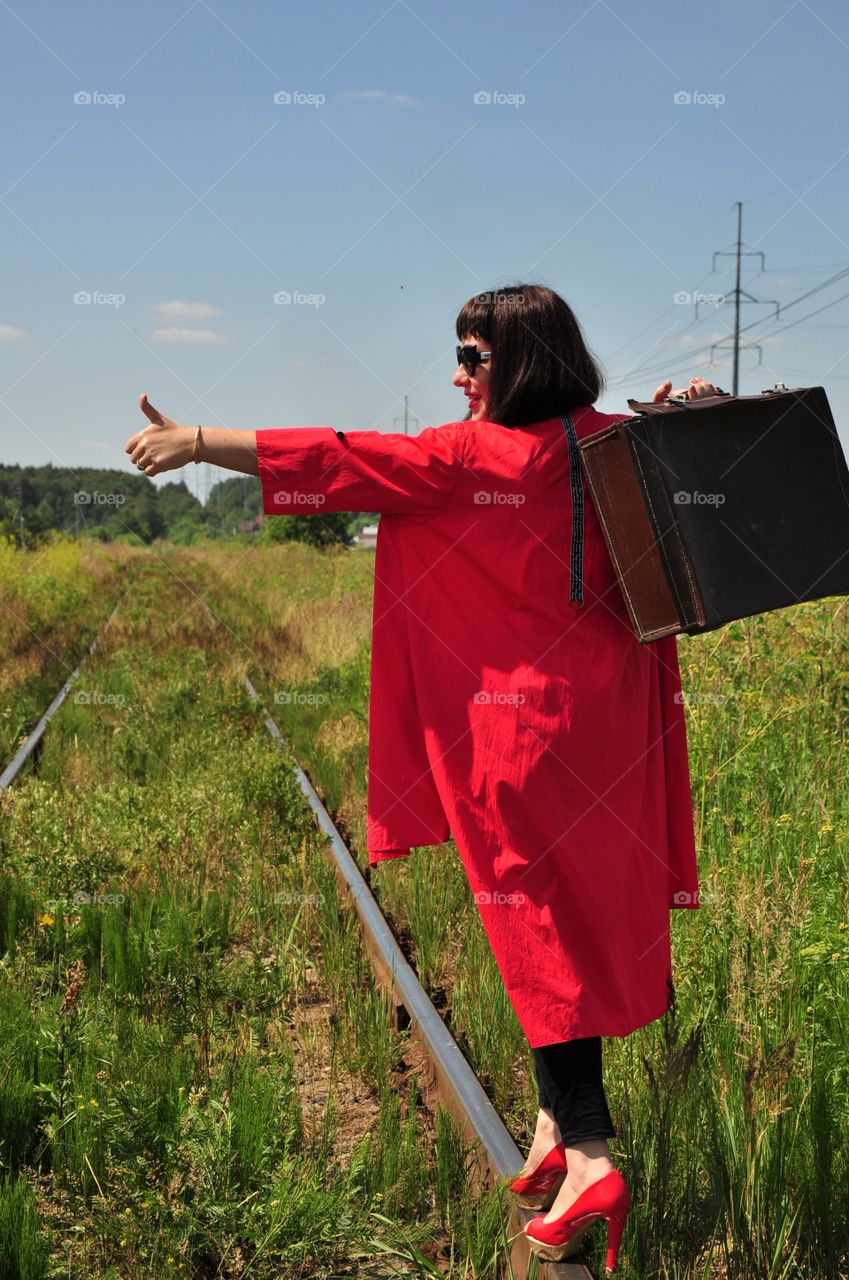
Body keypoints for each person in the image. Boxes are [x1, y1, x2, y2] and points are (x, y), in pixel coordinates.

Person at [124, 283, 720, 1273]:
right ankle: (551, 1125)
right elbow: (740, 496)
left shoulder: (463, 457)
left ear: (517, 362)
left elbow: (331, 457)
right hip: (610, 736)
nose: (456, 374)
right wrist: (703, 415)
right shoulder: (616, 443)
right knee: (572, 921)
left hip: (517, 743)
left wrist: (195, 439)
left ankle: (590, 1149)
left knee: (537, 933)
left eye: (471, 355)